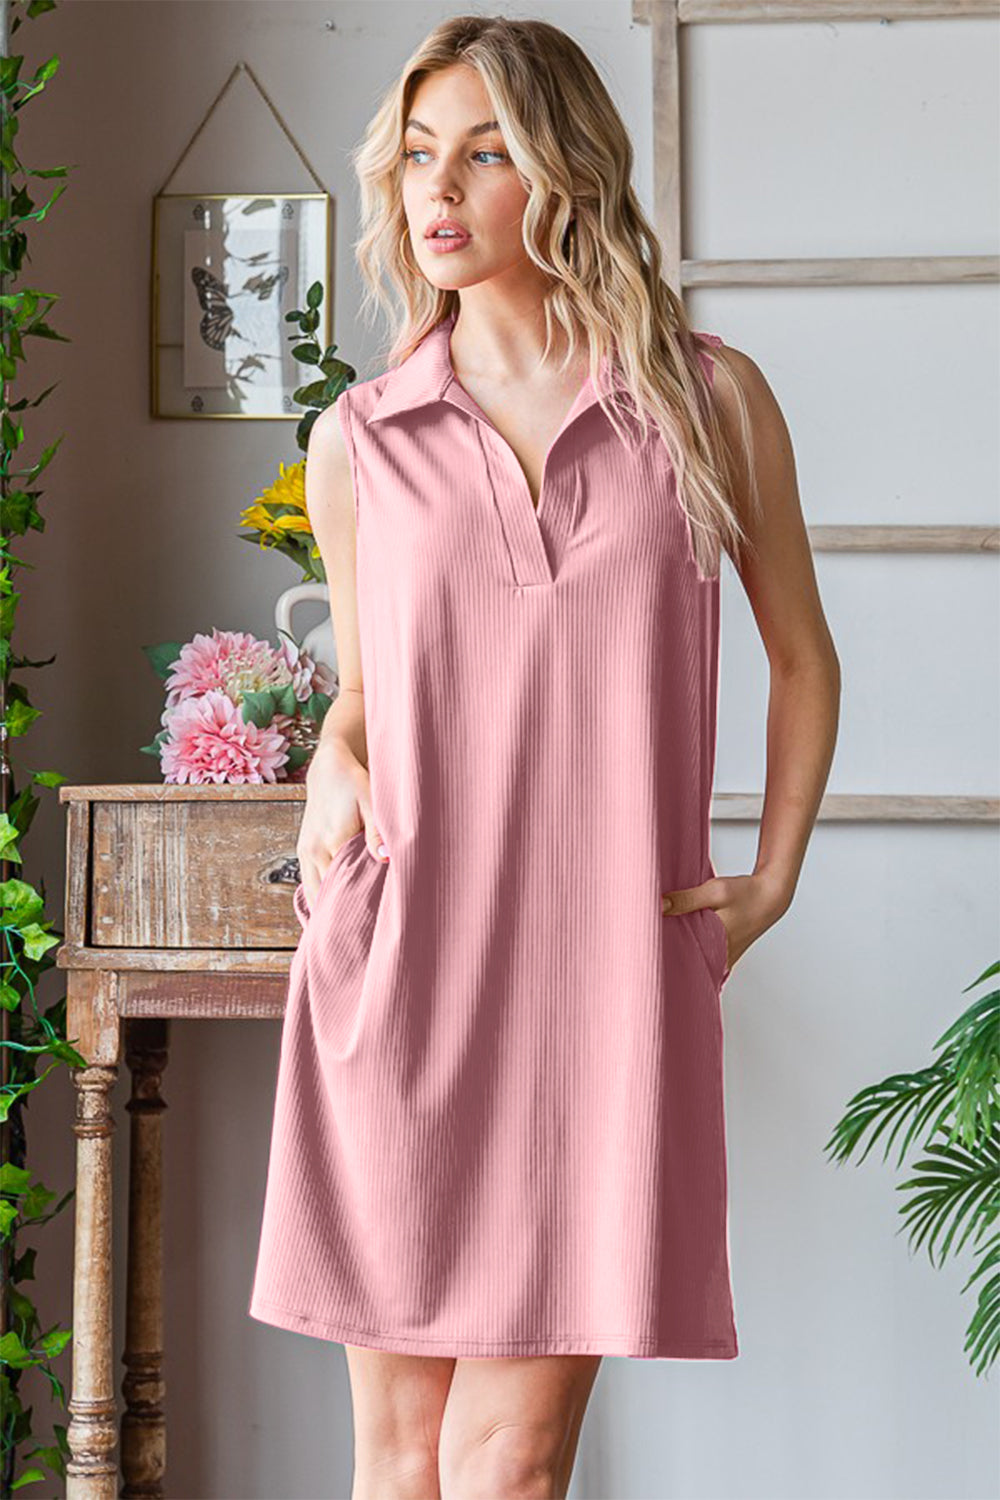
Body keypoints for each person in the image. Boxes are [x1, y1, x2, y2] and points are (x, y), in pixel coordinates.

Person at [249, 14, 841, 1499]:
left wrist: (766, 883)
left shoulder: (707, 402)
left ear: (565, 170)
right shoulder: (361, 439)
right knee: (398, 1463)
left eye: (488, 153)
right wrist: (332, 763)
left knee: (506, 1464)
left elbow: (802, 661)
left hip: (599, 987)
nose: (438, 191)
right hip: (401, 970)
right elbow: (371, 697)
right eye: (419, 155)